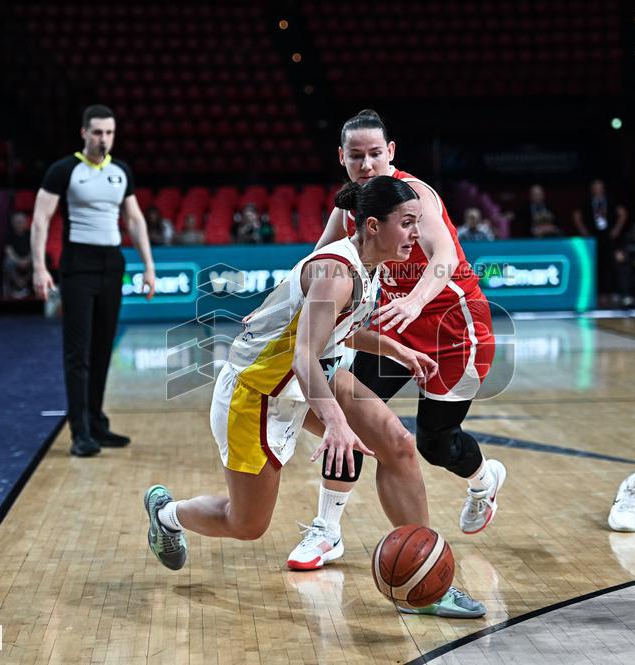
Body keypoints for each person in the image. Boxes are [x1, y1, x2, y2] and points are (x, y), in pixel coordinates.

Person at [143, 178, 483, 614]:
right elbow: (303, 354)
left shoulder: (372, 266)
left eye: (418, 223)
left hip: (314, 376)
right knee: (245, 524)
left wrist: (395, 349)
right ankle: (167, 514)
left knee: (397, 444)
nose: (416, 233)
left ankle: (426, 580)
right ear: (374, 225)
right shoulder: (335, 273)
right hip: (257, 393)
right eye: (407, 223)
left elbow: (338, 331)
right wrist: (337, 423)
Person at [286, 110, 501, 618]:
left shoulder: (415, 195)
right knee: (353, 415)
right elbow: (313, 267)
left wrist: (415, 300)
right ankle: (327, 528)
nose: (366, 164)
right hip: (388, 327)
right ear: (342, 158)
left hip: (452, 327)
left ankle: (482, 479)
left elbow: (444, 256)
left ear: (392, 153)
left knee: (435, 443)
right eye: (355, 156)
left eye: (374, 154)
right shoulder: (349, 209)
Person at [31, 104, 156, 457]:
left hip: (111, 264)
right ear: (84, 133)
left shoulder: (121, 171)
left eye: (109, 132)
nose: (104, 138)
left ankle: (97, 424)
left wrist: (148, 266)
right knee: (78, 352)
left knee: (102, 349)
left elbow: (134, 220)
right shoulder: (63, 170)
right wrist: (39, 267)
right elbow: (40, 219)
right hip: (78, 266)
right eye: (98, 132)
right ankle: (80, 432)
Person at [573, 179, 628, 307]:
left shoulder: (611, 200)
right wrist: (584, 232)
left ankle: (613, 293)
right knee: (596, 265)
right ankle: (599, 294)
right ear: (592, 189)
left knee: (612, 264)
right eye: (595, 188)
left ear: (603, 189)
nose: (598, 190)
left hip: (609, 237)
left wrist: (616, 229)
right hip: (593, 238)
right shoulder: (587, 202)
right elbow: (576, 216)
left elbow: (623, 213)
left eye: (600, 187)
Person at [4, 212, 33, 298]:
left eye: (22, 222)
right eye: (17, 222)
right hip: (15, 260)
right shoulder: (9, 235)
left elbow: (34, 249)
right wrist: (19, 261)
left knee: (41, 261)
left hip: (29, 259)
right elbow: (9, 251)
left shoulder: (31, 234)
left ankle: (25, 283)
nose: (20, 224)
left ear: (26, 223)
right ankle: (19, 283)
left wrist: (27, 260)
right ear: (13, 223)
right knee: (7, 263)